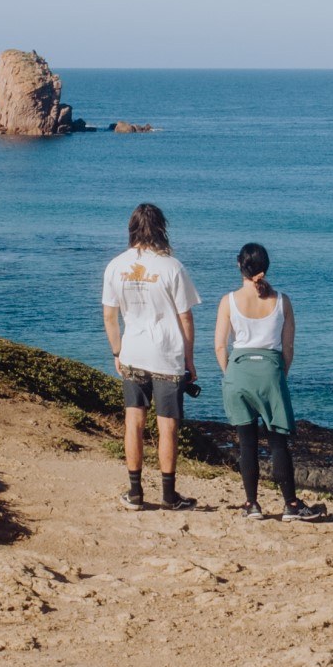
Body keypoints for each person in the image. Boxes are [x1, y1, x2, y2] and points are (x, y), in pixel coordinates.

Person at [101, 202, 200, 510]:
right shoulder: (172, 267)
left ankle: (135, 493)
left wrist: (117, 351)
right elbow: (185, 318)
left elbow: (109, 315)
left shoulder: (116, 265)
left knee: (134, 422)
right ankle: (169, 496)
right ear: (160, 228)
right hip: (167, 355)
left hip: (132, 352)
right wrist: (189, 359)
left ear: (131, 229)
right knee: (167, 426)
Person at [213, 242, 322, 518]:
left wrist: (231, 376)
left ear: (240, 266)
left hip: (238, 373)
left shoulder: (228, 300)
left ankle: (252, 505)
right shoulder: (283, 301)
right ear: (266, 266)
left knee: (246, 443)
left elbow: (219, 347)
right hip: (271, 372)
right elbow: (288, 349)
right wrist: (279, 376)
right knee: (277, 442)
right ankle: (291, 505)